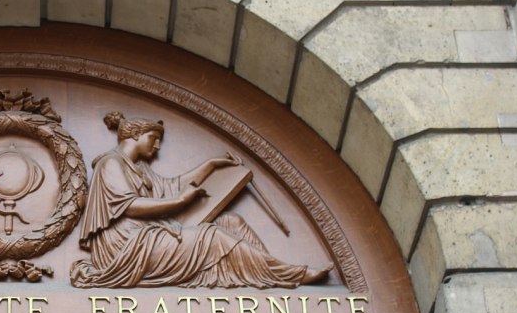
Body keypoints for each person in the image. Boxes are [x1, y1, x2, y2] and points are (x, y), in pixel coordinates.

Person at [70, 111, 330, 289]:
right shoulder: (110, 164)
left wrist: (211, 165)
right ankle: (290, 275)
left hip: (151, 237)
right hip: (129, 248)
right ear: (135, 136)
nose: (158, 146)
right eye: (153, 138)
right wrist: (180, 203)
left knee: (232, 222)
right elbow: (132, 206)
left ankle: (270, 275)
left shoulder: (141, 168)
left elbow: (173, 186)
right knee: (213, 236)